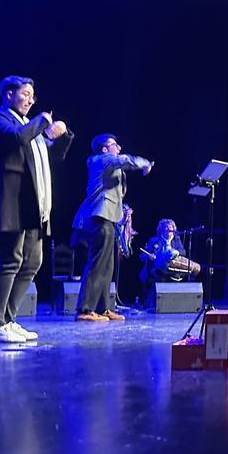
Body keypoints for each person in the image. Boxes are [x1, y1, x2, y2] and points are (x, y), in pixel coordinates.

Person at [0, 75, 73, 344]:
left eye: (33, 95)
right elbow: (17, 139)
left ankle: (9, 319)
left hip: (33, 208)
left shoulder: (29, 127)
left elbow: (51, 154)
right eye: (25, 94)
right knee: (10, 261)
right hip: (11, 205)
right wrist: (43, 121)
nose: (31, 100)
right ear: (9, 94)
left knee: (33, 262)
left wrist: (62, 135)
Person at [71, 133, 153, 322]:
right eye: (115, 145)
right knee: (97, 263)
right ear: (105, 148)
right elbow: (126, 160)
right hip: (98, 217)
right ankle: (84, 309)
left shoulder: (108, 163)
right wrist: (146, 163)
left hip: (108, 218)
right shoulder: (101, 159)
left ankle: (103, 308)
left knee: (107, 265)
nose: (119, 148)